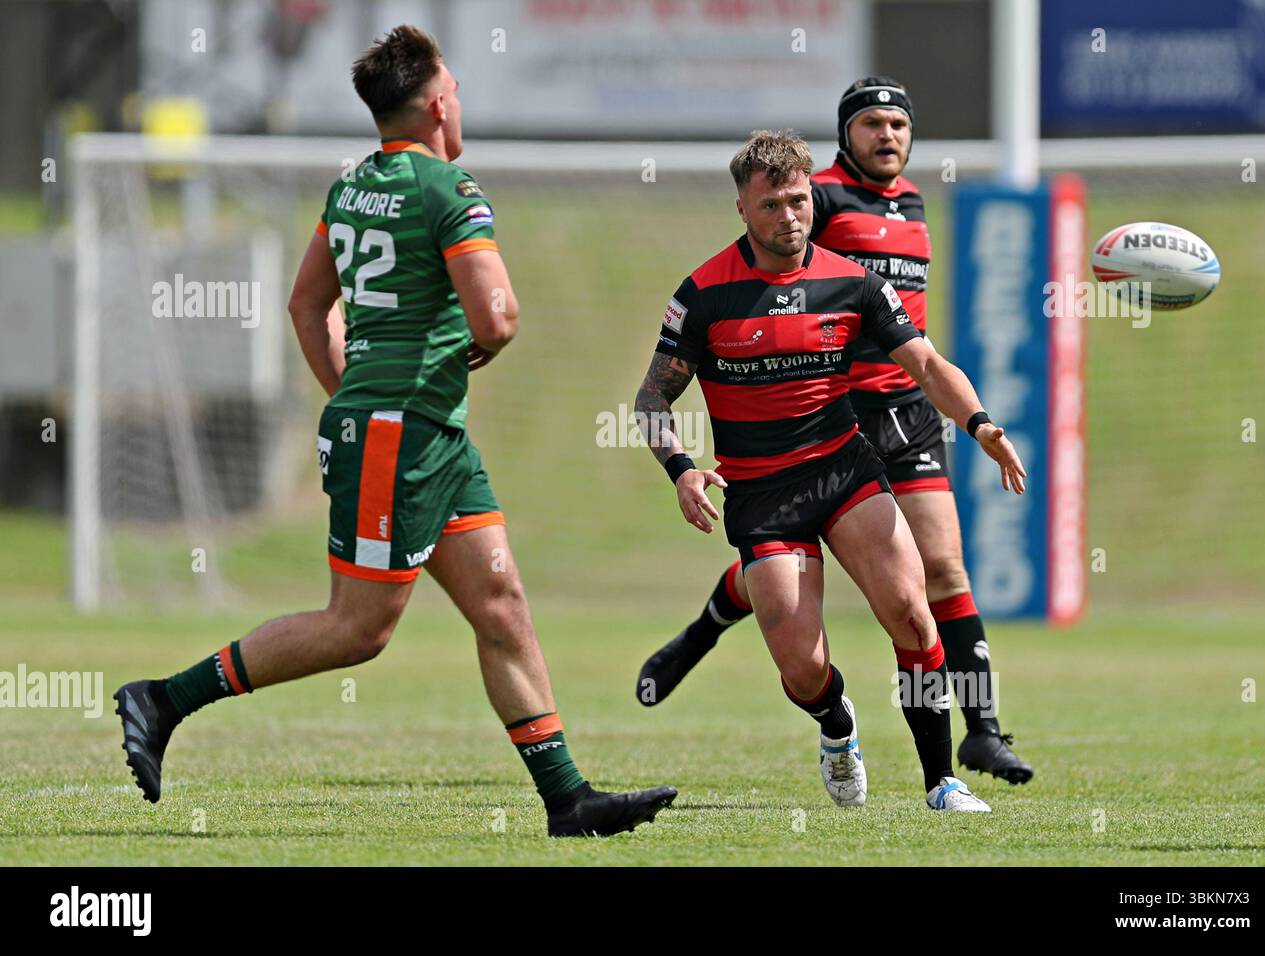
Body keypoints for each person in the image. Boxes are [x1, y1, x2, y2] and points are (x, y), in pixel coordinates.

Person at [113, 25, 675, 838]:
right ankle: (163, 700)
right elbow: (501, 317)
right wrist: (440, 365)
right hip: (400, 435)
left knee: (502, 604)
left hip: (424, 433)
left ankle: (567, 800)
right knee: (358, 629)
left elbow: (308, 302)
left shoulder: (351, 189)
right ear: (440, 102)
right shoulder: (451, 189)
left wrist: (354, 390)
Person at [638, 78, 1033, 785]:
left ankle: (970, 746)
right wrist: (684, 466)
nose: (888, 135)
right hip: (807, 428)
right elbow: (656, 394)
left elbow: (926, 355)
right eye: (872, 123)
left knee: (930, 587)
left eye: (899, 124)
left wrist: (979, 422)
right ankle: (802, 696)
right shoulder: (809, 207)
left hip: (887, 425)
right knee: (798, 650)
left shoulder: (908, 207)